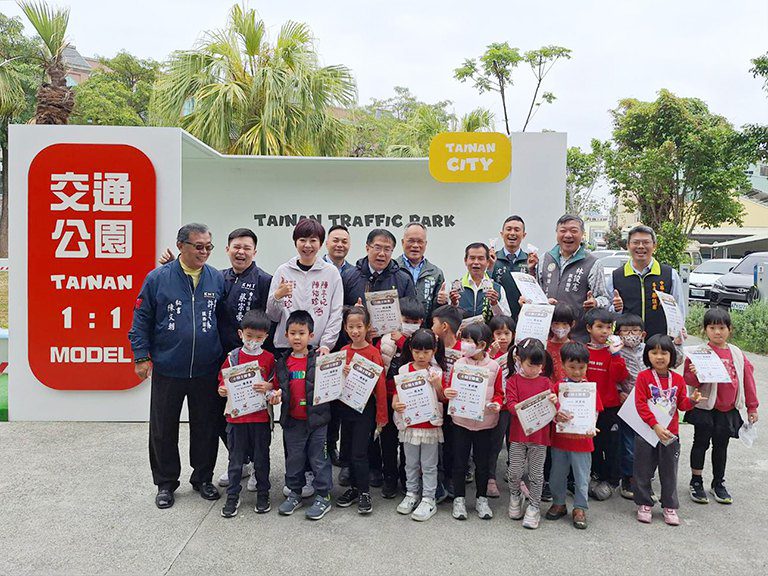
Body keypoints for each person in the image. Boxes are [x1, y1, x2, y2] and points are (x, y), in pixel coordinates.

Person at [129, 223, 226, 509]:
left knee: (206, 427)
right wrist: (141, 355)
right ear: (181, 245)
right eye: (199, 246)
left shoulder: (215, 278)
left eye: (209, 246)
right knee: (163, 428)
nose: (205, 252)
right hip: (169, 367)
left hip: (206, 367)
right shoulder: (158, 278)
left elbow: (224, 320)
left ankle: (203, 477)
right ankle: (166, 483)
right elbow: (141, 318)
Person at [683, 308, 759, 505]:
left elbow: (747, 380)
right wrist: (694, 372)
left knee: (721, 447)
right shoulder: (699, 353)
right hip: (705, 408)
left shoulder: (737, 354)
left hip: (728, 409)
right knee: (700, 444)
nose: (718, 332)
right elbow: (689, 380)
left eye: (722, 327)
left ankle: (718, 483)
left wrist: (752, 407)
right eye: (712, 327)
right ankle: (696, 480)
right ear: (705, 330)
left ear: (729, 329)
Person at [634, 334, 704, 526]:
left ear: (671, 355)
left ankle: (669, 506)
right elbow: (640, 405)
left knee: (669, 470)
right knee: (643, 468)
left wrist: (692, 401)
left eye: (664, 352)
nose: (659, 357)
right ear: (647, 355)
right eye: (654, 352)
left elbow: (681, 405)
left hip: (670, 434)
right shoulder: (643, 377)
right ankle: (644, 503)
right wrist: (655, 425)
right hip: (647, 431)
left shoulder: (678, 379)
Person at [614, 314, 685, 500]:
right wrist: (618, 391)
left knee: (652, 443)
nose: (631, 334)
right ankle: (629, 478)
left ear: (643, 334)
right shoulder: (616, 350)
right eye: (625, 331)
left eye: (635, 331)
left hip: (655, 407)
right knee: (630, 444)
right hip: (628, 404)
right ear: (618, 334)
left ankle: (646, 479)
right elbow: (612, 374)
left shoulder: (650, 349)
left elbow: (675, 361)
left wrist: (677, 344)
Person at [217, 310, 277, 517]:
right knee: (235, 460)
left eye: (259, 338)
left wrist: (269, 387)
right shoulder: (233, 357)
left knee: (262, 459)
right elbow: (222, 380)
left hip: (260, 418)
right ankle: (232, 495)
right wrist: (222, 389)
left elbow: (275, 386)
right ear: (241, 333)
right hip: (236, 418)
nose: (253, 341)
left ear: (266, 338)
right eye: (249, 336)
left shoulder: (269, 358)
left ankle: (263, 493)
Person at [276, 311, 334, 520]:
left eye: (302, 333)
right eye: (293, 333)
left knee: (319, 460)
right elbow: (276, 387)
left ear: (311, 335)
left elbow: (334, 383)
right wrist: (273, 394)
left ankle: (323, 496)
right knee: (294, 460)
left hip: (318, 421)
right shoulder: (282, 362)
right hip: (293, 421)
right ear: (286, 335)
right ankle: (295, 493)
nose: (297, 337)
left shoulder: (320, 359)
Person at [444, 323, 504, 520]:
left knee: (483, 463)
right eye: (464, 340)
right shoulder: (459, 364)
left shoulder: (494, 367)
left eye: (469, 341)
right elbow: (449, 387)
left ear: (482, 344)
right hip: (461, 421)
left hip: (485, 424)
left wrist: (496, 403)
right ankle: (459, 499)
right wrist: (448, 392)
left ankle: (481, 499)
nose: (465, 345)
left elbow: (499, 393)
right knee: (459, 462)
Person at [335, 306, 389, 514]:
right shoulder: (343, 352)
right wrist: (342, 374)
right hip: (346, 409)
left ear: (367, 327)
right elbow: (333, 384)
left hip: (365, 411)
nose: (355, 331)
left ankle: (365, 492)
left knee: (360, 452)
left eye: (359, 326)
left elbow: (381, 388)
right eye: (351, 327)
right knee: (347, 451)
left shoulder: (374, 353)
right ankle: (355, 489)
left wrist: (381, 417)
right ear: (345, 328)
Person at [546, 342, 602, 530]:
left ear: (587, 366)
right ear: (562, 366)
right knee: (557, 474)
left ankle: (579, 507)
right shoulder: (558, 387)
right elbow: (550, 412)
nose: (577, 372)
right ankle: (559, 502)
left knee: (581, 476)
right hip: (560, 439)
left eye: (581, 367)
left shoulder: (590, 389)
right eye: (572, 367)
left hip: (583, 441)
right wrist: (555, 413)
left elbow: (595, 412)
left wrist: (592, 427)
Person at [393, 329, 447, 521]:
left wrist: (437, 384)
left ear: (433, 350)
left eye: (426, 351)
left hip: (430, 425)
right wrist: (395, 404)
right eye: (417, 351)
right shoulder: (404, 370)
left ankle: (428, 498)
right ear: (410, 350)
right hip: (410, 425)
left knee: (429, 464)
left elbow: (443, 398)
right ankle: (411, 494)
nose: (421, 356)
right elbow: (397, 393)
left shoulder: (436, 371)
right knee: (410, 463)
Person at [267, 219, 344, 355]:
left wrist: (326, 344)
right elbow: (273, 316)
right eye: (302, 240)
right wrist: (277, 297)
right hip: (285, 347)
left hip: (317, 348)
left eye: (313, 240)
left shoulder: (331, 273)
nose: (307, 245)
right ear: (295, 242)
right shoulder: (283, 271)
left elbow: (336, 313)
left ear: (320, 244)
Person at [528, 214, 610, 341]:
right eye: (563, 231)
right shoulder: (545, 258)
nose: (567, 235)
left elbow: (605, 299)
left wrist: (596, 302)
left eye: (573, 231)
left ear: (582, 234)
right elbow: (538, 293)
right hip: (546, 335)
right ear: (557, 233)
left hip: (577, 337)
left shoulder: (592, 263)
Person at [376, 297, 426, 498]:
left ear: (422, 321)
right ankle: (389, 478)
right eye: (407, 320)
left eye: (415, 321)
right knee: (387, 442)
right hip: (388, 397)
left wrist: (403, 340)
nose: (411, 325)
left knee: (409, 443)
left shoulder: (423, 340)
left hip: (411, 400)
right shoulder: (386, 339)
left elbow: (418, 356)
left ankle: (407, 479)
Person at [506, 338, 556, 530]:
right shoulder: (513, 381)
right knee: (515, 470)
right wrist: (521, 408)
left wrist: (553, 400)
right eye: (530, 365)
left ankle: (534, 506)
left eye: (538, 365)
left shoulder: (546, 382)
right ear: (519, 360)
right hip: (518, 435)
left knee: (536, 473)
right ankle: (514, 496)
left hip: (540, 437)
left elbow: (554, 408)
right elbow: (510, 405)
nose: (534, 369)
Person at [610, 225, 687, 338]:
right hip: (627, 344)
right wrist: (616, 309)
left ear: (654, 246)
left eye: (646, 242)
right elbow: (607, 312)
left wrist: (676, 337)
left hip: (659, 344)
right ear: (628, 246)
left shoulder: (669, 274)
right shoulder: (616, 276)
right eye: (636, 242)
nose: (641, 246)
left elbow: (679, 309)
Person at [584, 308, 629, 500]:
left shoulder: (614, 353)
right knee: (592, 443)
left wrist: (616, 355)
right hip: (588, 408)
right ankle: (595, 475)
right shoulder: (582, 351)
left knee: (611, 445)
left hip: (610, 407)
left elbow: (620, 376)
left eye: (609, 327)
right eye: (600, 327)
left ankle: (612, 480)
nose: (604, 331)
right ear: (589, 328)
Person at [431, 304, 465, 498]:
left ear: (444, 326)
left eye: (434, 323)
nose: (431, 326)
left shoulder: (464, 350)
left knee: (453, 445)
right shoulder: (432, 348)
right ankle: (435, 480)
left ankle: (451, 480)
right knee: (435, 446)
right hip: (435, 404)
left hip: (456, 407)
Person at [341, 228, 416, 309]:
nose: (382, 254)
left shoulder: (404, 280)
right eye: (377, 248)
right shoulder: (348, 276)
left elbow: (411, 312)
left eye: (387, 249)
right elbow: (338, 309)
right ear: (367, 248)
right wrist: (353, 312)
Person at [486, 315, 516, 498]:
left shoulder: (518, 352)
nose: (503, 337)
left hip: (514, 406)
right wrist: (490, 356)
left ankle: (513, 473)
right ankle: (490, 478)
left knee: (514, 442)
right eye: (498, 333)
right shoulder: (489, 354)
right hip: (498, 406)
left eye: (507, 333)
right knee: (495, 443)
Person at [398, 222, 447, 322]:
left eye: (420, 241)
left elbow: (438, 310)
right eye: (411, 241)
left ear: (425, 244)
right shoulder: (392, 269)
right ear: (403, 242)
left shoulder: (436, 273)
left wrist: (442, 302)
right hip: (397, 331)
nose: (415, 245)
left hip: (424, 332)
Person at [450, 242, 511, 321]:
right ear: (465, 261)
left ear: (488, 262)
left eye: (480, 258)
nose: (476, 262)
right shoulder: (455, 288)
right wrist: (454, 304)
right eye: (472, 258)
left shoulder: (497, 289)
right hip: (463, 333)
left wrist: (495, 303)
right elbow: (449, 319)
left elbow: (506, 319)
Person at [489, 215, 530, 320]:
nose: (512, 233)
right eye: (509, 229)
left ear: (523, 235)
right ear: (502, 234)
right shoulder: (492, 259)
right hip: (498, 320)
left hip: (523, 317)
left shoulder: (530, 261)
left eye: (517, 230)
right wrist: (489, 267)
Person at [547, 303, 576, 385]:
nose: (560, 327)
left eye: (564, 324)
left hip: (570, 390)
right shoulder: (544, 347)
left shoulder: (576, 347)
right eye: (556, 323)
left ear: (572, 324)